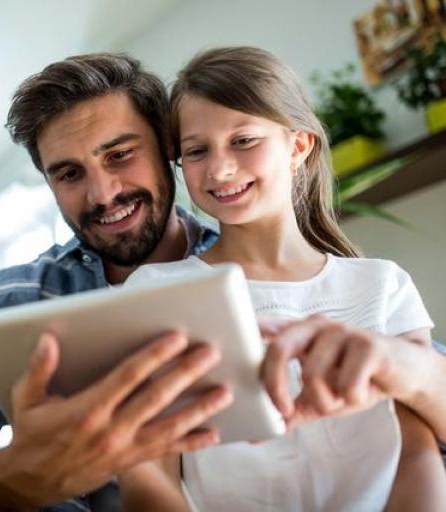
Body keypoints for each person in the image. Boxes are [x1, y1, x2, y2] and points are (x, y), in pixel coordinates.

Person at [0, 52, 446, 511]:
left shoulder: (364, 284)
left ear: (165, 150)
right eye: (68, 174)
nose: (102, 194)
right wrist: (16, 474)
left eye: (120, 155)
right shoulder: (16, 294)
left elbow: (423, 410)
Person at [121, 46, 446, 511]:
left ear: (298, 146)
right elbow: (149, 476)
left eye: (243, 140)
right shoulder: (157, 292)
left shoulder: (380, 286)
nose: (219, 168)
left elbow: (418, 453)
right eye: (196, 151)